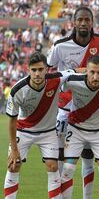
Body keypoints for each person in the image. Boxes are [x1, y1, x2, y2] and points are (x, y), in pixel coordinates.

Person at [47, 6, 99, 198]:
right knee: (60, 159)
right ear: (73, 22)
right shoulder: (60, 46)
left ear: (92, 22)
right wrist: (76, 72)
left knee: (88, 158)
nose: (83, 23)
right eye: (80, 20)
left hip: (89, 110)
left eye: (87, 20)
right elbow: (49, 73)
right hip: (65, 110)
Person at [4, 52, 73, 199]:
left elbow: (74, 71)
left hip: (48, 132)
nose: (37, 74)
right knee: (13, 165)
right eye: (33, 70)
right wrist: (14, 149)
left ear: (47, 69)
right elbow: (11, 122)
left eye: (40, 69)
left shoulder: (56, 79)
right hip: (23, 131)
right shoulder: (17, 90)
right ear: (28, 70)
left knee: (53, 167)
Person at [60, 56, 99, 199]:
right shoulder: (74, 80)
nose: (95, 76)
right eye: (92, 72)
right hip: (76, 129)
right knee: (67, 170)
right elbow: (60, 77)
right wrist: (76, 70)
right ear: (86, 71)